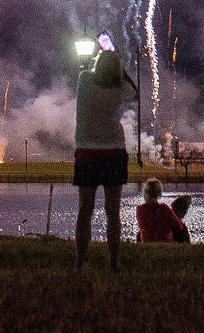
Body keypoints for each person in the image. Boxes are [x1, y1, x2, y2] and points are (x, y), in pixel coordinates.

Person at [72, 46, 137, 270]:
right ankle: (114, 262)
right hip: (113, 154)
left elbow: (88, 70)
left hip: (87, 153)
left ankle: (80, 262)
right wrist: (121, 68)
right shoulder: (120, 90)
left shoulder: (84, 81)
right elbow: (135, 92)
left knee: (84, 211)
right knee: (113, 213)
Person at [136, 178, 189, 243]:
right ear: (159, 192)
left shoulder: (140, 209)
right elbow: (178, 226)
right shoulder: (163, 208)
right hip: (165, 241)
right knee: (183, 228)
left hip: (146, 240)